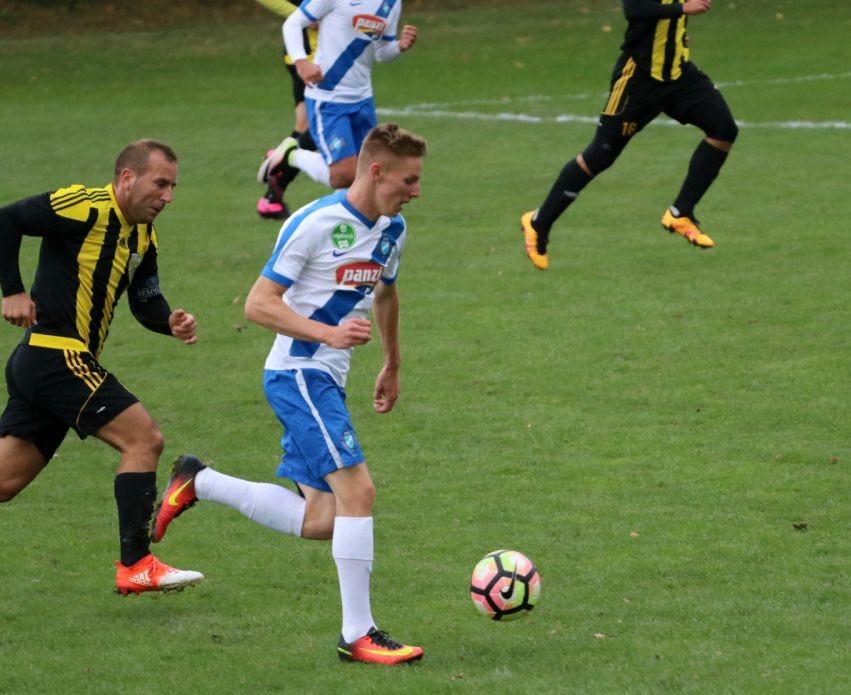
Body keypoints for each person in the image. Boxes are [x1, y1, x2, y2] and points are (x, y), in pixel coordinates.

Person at [152, 123, 426, 665]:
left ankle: (199, 481)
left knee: (323, 520)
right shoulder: (314, 223)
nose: (416, 191)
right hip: (299, 374)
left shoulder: (393, 228)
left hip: (329, 380)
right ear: (377, 172)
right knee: (359, 493)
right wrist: (327, 334)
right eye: (409, 180)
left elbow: (386, 294)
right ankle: (358, 634)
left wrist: (392, 362)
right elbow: (258, 304)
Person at [0, 140, 204, 596]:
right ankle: (137, 565)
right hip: (56, 354)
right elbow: (7, 219)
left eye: (173, 186)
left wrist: (170, 321)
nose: (168, 196)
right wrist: (11, 290)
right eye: (161, 183)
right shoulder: (85, 205)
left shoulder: (143, 236)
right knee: (144, 440)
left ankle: (137, 566)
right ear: (127, 178)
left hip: (48, 363)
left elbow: (145, 299)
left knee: (4, 482)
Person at [520, 0, 738, 270]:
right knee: (601, 154)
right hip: (639, 79)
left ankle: (680, 213)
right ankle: (538, 223)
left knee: (723, 129)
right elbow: (634, 10)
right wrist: (683, 9)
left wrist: (677, 31)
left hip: (678, 74)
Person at [257, 0, 418, 192]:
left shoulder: (392, 3)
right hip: (328, 98)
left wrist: (399, 46)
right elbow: (292, 23)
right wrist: (301, 62)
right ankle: (292, 155)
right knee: (344, 175)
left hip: (363, 99)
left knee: (369, 176)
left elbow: (382, 53)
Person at [253, 0, 320, 220]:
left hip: (320, 55)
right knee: (315, 127)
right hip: (309, 57)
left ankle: (272, 197)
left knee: (305, 125)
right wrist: (304, 15)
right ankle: (279, 169)